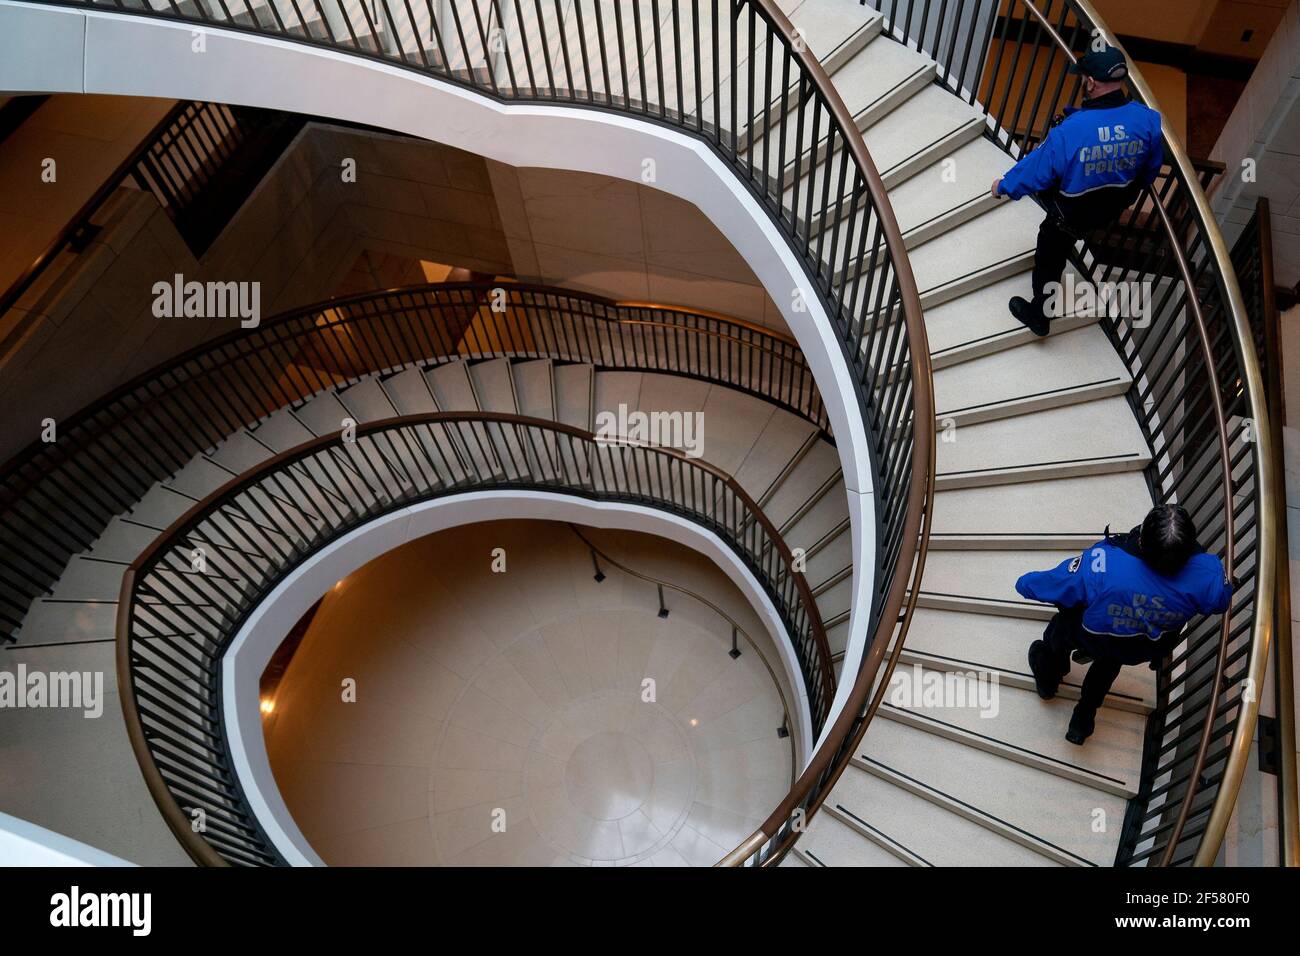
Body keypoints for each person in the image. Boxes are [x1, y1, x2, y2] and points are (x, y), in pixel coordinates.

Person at [1014, 505, 1233, 745]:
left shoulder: (1104, 565)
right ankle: (1082, 720)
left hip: (1092, 633)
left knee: (1059, 631)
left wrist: (1023, 584)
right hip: (1140, 644)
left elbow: (1054, 584)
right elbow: (1221, 601)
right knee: (1107, 668)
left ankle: (1049, 678)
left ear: (1142, 541)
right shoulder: (1209, 576)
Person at [991, 45, 1164, 337]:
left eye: (1084, 78)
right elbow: (1150, 171)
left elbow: (1037, 170)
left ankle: (1039, 315)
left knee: (1050, 257)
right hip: (1107, 210)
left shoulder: (1071, 132)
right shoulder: (1148, 120)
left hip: (1067, 216)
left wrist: (1004, 186)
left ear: (1092, 83)